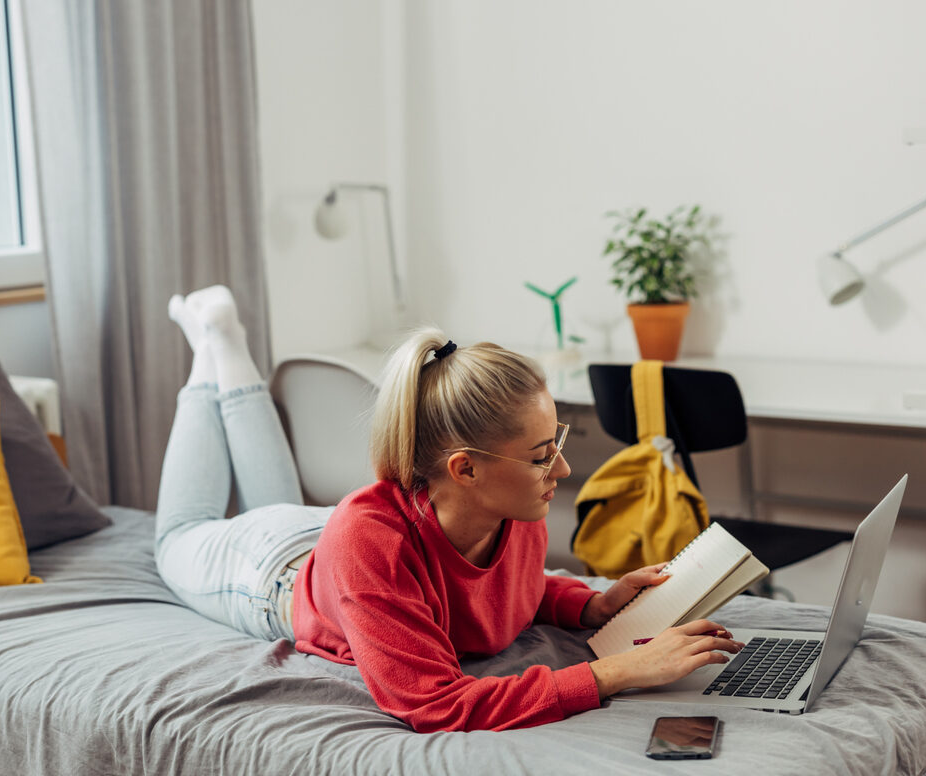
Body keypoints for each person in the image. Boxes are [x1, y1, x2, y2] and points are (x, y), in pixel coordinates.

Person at [156, 285, 744, 733]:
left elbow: (502, 591)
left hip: (329, 546)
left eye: (556, 444)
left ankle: (218, 337)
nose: (561, 471)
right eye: (543, 456)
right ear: (466, 469)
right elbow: (434, 701)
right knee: (178, 535)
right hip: (269, 577)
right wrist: (620, 671)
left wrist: (591, 605)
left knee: (274, 501)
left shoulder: (512, 510)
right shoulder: (373, 541)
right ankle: (211, 346)